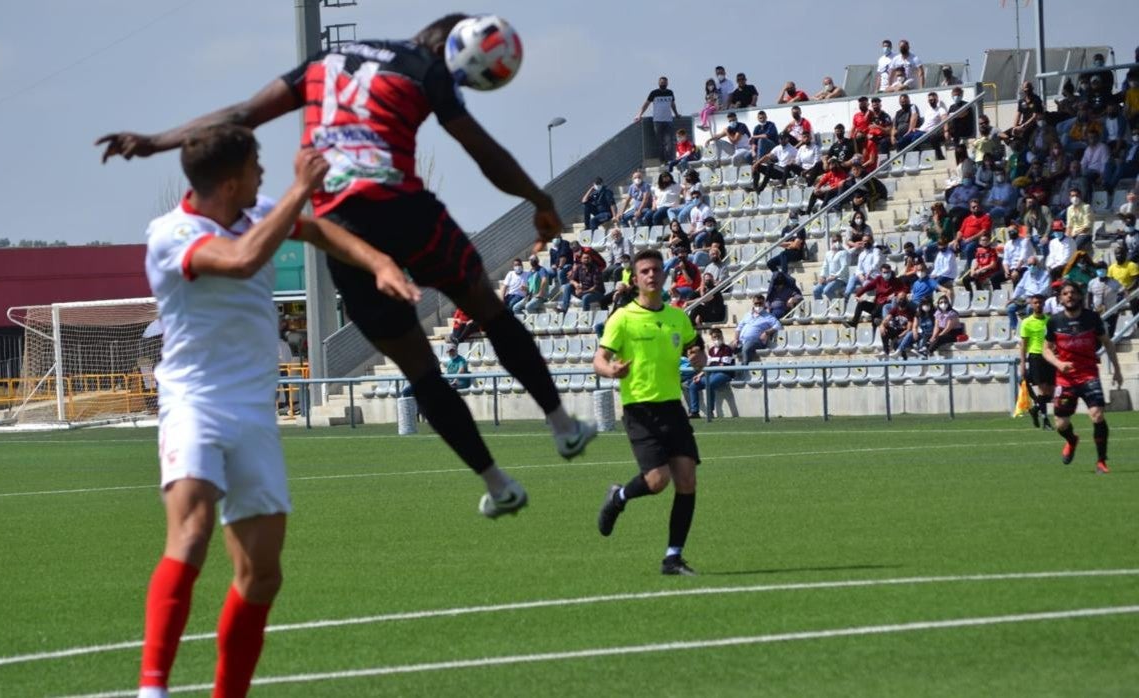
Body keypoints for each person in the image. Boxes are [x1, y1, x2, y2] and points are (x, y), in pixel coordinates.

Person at [97, 14, 600, 524]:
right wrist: (538, 197)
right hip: (406, 208)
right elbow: (482, 151)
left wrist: (155, 141)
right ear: (450, 47)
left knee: (419, 367)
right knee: (489, 311)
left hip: (343, 224)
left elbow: (242, 113)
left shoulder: (324, 62)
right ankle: (562, 425)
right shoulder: (425, 69)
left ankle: (498, 482)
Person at [135, 128, 419, 698]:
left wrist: (378, 261)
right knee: (190, 533)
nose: (265, 174)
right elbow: (241, 260)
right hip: (194, 404)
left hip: (255, 413)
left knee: (262, 574)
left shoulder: (259, 208)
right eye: (256, 165)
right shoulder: (172, 234)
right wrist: (301, 188)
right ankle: (153, 689)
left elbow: (315, 230)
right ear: (231, 180)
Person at [593, 249, 704, 576]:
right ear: (635, 278)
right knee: (657, 481)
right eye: (645, 271)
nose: (652, 275)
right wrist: (611, 370)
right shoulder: (623, 318)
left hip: (673, 406)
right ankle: (619, 497)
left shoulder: (677, 316)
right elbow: (599, 358)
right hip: (639, 408)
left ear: (664, 274)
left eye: (656, 269)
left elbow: (695, 348)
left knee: (687, 481)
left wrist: (700, 358)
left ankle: (673, 557)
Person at [1042, 282, 1124, 474]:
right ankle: (1072, 439)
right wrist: (1059, 364)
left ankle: (1101, 462)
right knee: (1061, 424)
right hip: (1065, 379)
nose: (1069, 296)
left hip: (1088, 375)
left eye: (1072, 293)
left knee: (1097, 415)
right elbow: (1046, 350)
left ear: (1079, 296)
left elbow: (1108, 343)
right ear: (1060, 298)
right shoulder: (1054, 321)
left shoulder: (1092, 318)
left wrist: (1117, 370)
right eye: (1065, 293)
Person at [1018, 294, 1054, 430]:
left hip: (1049, 356)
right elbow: (1023, 345)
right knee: (1042, 388)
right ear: (1031, 305)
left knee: (1050, 392)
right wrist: (1023, 364)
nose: (1038, 305)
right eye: (1035, 303)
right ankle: (1045, 420)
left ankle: (1035, 409)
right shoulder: (1027, 322)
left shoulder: (1049, 321)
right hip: (1036, 357)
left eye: (1040, 302)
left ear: (1044, 304)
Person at [635, 76, 680, 163]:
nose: (663, 84)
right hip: (657, 121)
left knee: (669, 141)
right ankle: (662, 161)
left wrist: (676, 114)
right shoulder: (654, 93)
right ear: (659, 83)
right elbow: (646, 104)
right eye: (661, 82)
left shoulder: (670, 92)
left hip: (668, 120)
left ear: (667, 83)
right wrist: (639, 114)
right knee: (660, 143)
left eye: (664, 82)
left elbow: (673, 104)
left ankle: (670, 160)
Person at [733, 294, 782, 363]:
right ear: (753, 303)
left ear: (764, 303)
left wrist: (766, 332)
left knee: (746, 348)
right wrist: (736, 339)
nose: (758, 305)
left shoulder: (769, 316)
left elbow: (778, 325)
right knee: (728, 348)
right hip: (741, 341)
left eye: (760, 303)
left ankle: (745, 369)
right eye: (756, 303)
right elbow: (739, 328)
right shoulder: (747, 315)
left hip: (756, 341)